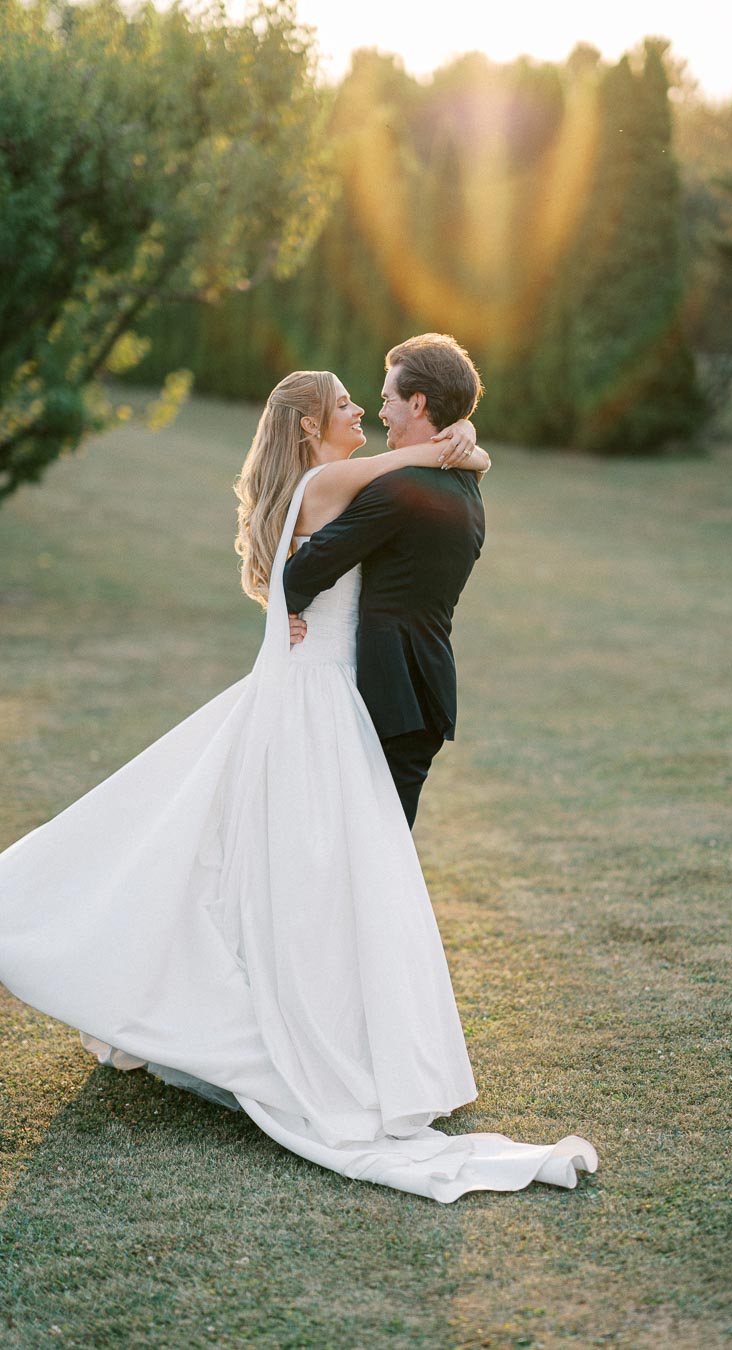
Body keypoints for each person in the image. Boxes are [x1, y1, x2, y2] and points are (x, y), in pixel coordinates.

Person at [0, 348, 597, 1202]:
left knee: (277, 863)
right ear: (311, 427)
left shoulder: (347, 485)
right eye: (349, 405)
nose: (366, 412)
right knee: (305, 868)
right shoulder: (332, 487)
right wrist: (447, 445)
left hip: (332, 697)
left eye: (376, 400)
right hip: (319, 702)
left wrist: (450, 445)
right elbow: (306, 567)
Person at [284, 333, 488, 827]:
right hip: (423, 689)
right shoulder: (465, 482)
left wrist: (285, 608)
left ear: (418, 402)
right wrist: (469, 439)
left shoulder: (401, 490)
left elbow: (303, 572)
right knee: (382, 846)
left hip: (392, 696)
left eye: (386, 399)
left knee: (371, 846)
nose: (379, 412)